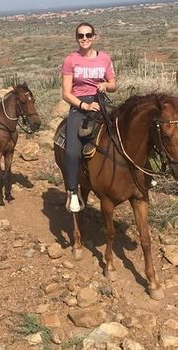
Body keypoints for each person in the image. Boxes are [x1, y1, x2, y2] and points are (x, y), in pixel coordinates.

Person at [61, 22, 117, 213]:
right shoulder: (70, 60)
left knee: (127, 129)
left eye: (88, 35)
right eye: (80, 36)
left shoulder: (104, 58)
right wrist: (84, 105)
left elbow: (113, 83)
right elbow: (66, 93)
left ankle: (142, 175)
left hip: (101, 101)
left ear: (94, 37)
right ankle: (73, 192)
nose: (84, 38)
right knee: (71, 151)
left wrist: (106, 86)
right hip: (80, 106)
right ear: (76, 38)